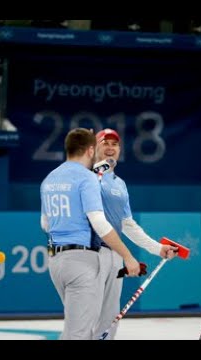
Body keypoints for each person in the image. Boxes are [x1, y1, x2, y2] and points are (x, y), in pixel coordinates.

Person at [40, 127, 141, 340]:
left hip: (56, 261)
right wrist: (128, 256)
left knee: (75, 327)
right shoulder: (87, 179)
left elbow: (45, 223)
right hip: (82, 261)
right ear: (90, 150)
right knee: (80, 333)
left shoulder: (49, 179)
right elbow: (100, 224)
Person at [92, 128, 177, 340]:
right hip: (90, 253)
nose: (111, 148)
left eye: (115, 144)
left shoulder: (120, 184)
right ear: (95, 147)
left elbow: (128, 225)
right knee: (87, 313)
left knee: (110, 316)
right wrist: (96, 167)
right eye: (105, 143)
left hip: (115, 254)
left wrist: (158, 248)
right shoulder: (88, 175)